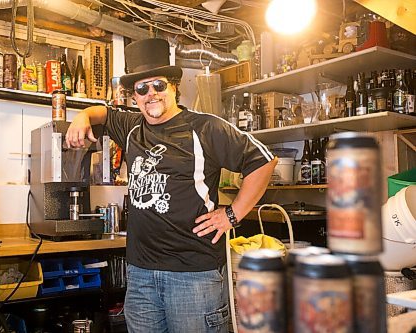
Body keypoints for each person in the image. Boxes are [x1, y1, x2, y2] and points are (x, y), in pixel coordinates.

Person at [66, 38, 277, 333]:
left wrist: (233, 214)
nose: (150, 94)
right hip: (140, 275)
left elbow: (263, 160)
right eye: (141, 88)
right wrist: (81, 116)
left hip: (193, 277)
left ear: (174, 86)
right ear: (134, 96)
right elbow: (101, 113)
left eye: (158, 85)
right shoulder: (131, 128)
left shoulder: (205, 127)